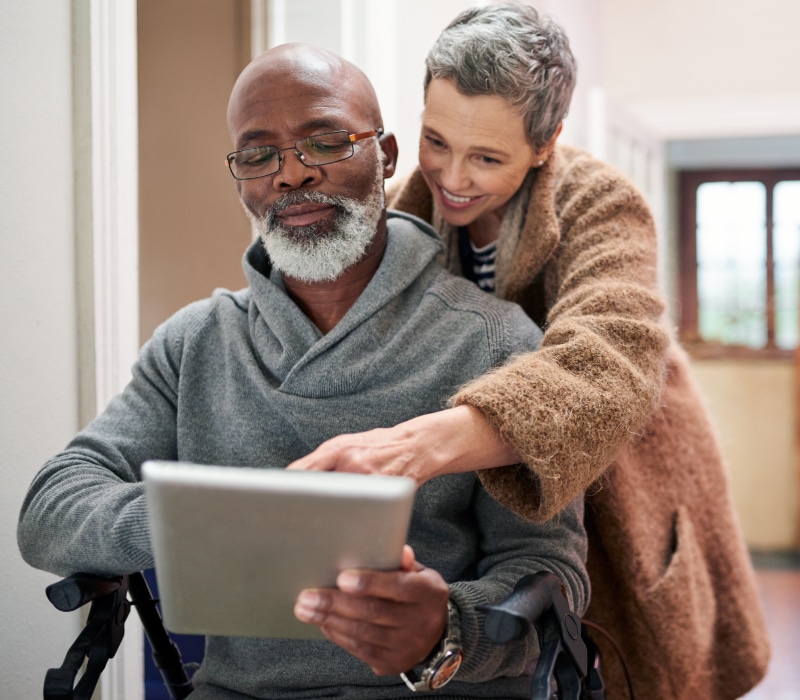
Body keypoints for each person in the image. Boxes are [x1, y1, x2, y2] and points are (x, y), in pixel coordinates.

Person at [17, 43, 590, 699]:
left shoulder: (494, 340)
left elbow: (551, 571)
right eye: (258, 155)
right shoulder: (197, 341)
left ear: (389, 156)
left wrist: (447, 632)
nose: (290, 175)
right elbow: (50, 510)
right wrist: (203, 520)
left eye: (325, 142)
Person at [286, 5, 771, 699]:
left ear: (546, 145)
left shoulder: (601, 203)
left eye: (487, 157)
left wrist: (421, 446)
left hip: (626, 482)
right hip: (501, 519)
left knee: (640, 668)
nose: (453, 176)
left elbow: (610, 358)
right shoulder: (401, 212)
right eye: (436, 140)